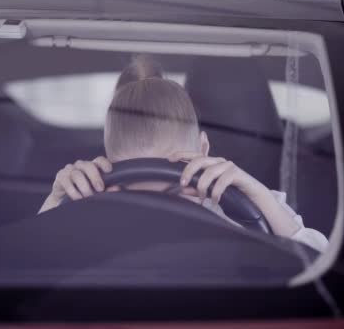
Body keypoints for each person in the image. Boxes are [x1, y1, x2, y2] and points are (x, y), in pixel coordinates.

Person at [38, 55, 328, 252]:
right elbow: (32, 260)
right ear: (110, 164)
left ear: (203, 149)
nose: (158, 208)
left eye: (175, 186)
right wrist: (55, 202)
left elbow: (319, 266)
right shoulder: (90, 211)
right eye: (131, 188)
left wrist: (257, 194)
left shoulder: (238, 212)